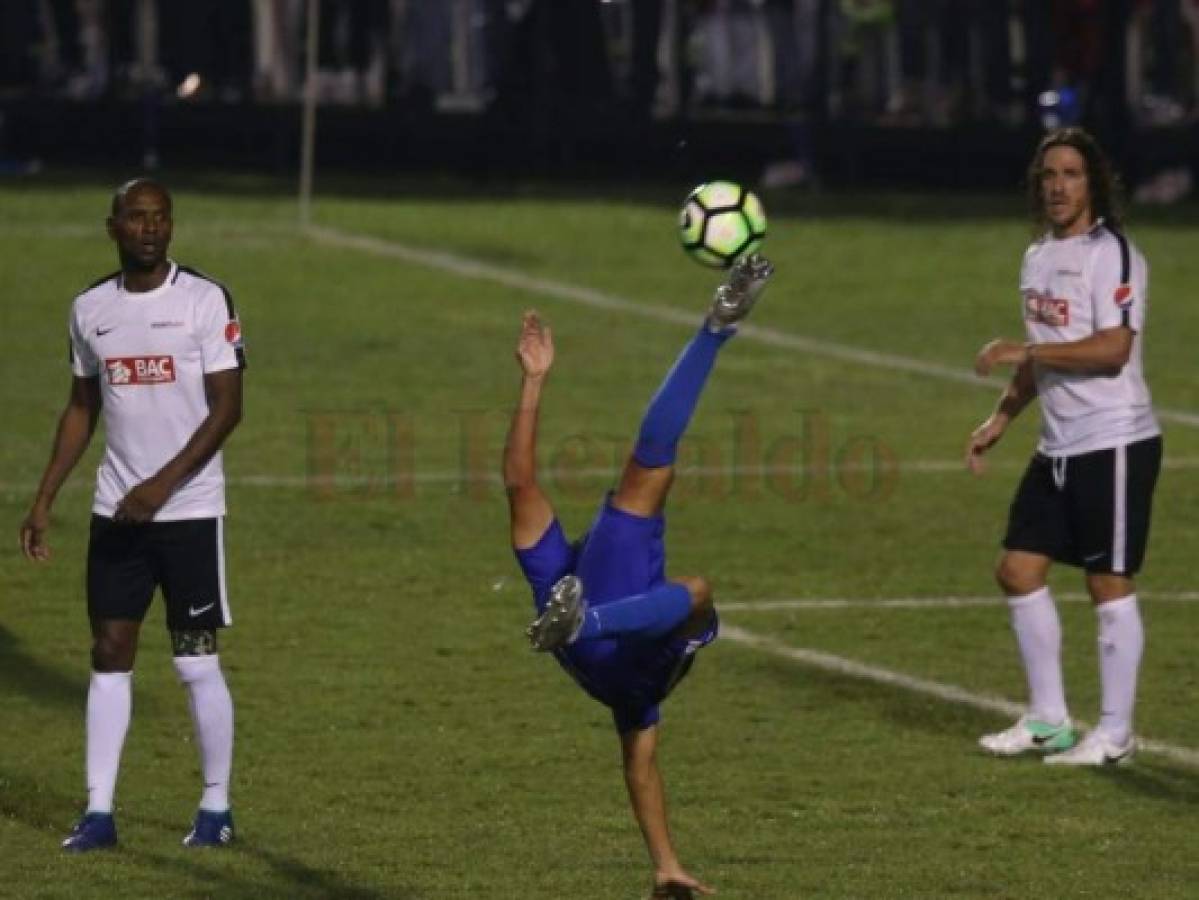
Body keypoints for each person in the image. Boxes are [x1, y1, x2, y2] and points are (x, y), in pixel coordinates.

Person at [503, 254, 773, 899]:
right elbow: (639, 768)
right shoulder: (635, 694)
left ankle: (717, 324)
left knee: (669, 521)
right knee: (687, 565)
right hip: (599, 636)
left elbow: (519, 482)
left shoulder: (572, 595)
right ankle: (716, 325)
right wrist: (665, 864)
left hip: (586, 629)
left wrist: (534, 383)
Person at [19, 178, 246, 850]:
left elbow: (228, 407)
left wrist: (161, 485)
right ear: (113, 227)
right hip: (115, 511)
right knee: (109, 651)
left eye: (161, 217)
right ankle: (98, 812)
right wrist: (44, 497)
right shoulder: (90, 309)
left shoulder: (205, 300)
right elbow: (82, 406)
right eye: (137, 218)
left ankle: (215, 808)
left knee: (194, 660)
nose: (150, 228)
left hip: (189, 512)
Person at [968, 127, 1161, 766]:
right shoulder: (1037, 257)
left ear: (1094, 183)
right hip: (1058, 445)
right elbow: (1043, 357)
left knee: (1108, 582)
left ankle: (1114, 735)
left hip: (1115, 438)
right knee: (1018, 570)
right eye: (1048, 174)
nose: (1057, 186)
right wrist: (1002, 416)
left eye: (1071, 174)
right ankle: (1049, 720)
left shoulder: (1114, 255)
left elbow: (1113, 348)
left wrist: (1024, 351)